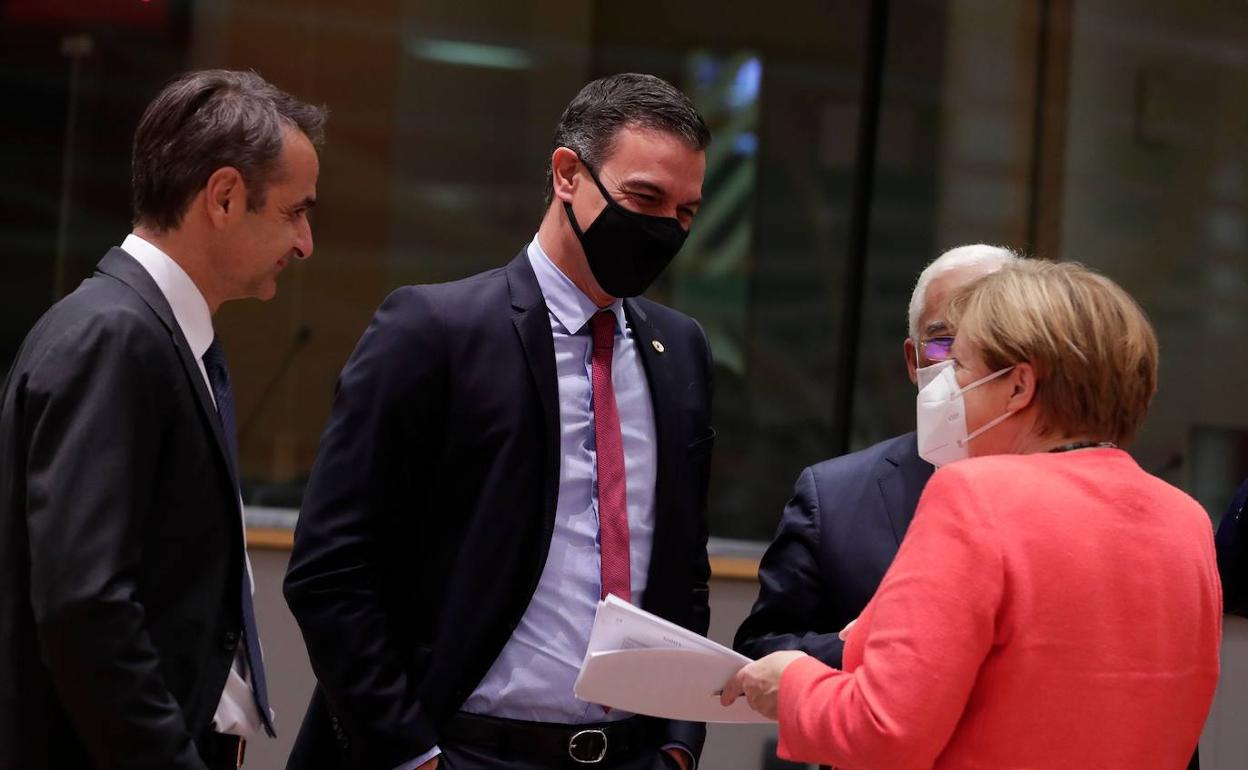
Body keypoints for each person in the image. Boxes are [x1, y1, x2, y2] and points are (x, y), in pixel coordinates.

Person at [283, 73, 715, 770]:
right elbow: (331, 571)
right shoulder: (433, 330)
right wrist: (409, 753)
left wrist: (677, 744)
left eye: (687, 212)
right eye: (643, 198)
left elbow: (681, 567)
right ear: (567, 175)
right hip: (464, 748)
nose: (665, 228)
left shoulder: (681, 350)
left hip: (629, 754)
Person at [723, 260, 1221, 770]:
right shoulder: (1186, 519)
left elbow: (882, 730)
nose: (946, 389)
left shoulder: (974, 494)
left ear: (1019, 387)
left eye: (960, 367)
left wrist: (790, 684)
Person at [0, 70, 325, 769]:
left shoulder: (160, 335)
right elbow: (87, 607)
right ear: (225, 197)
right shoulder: (114, 337)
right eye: (295, 212)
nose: (305, 243)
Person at [734, 245, 1018, 668]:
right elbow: (761, 651)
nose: (963, 363)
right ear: (911, 360)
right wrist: (868, 649)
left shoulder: (1072, 496)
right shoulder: (835, 497)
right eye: (942, 344)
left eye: (989, 343)